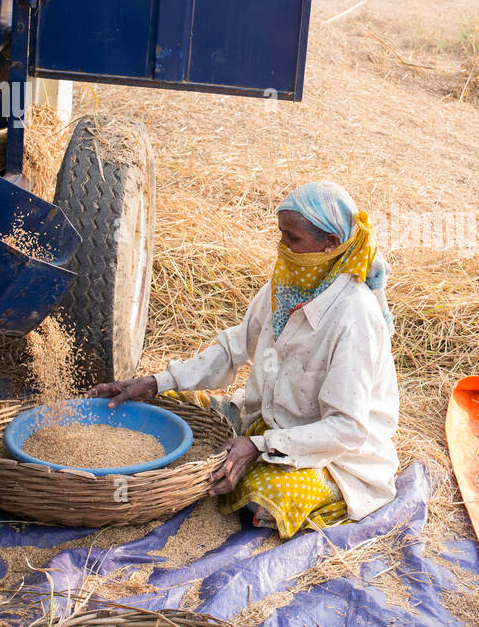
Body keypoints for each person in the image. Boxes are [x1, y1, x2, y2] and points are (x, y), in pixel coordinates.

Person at [90, 182, 400, 539]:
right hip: (267, 421)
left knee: (264, 498)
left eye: (292, 238)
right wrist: (156, 381)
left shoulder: (354, 314)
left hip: (334, 454)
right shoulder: (286, 284)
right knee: (165, 405)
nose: (282, 247)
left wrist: (258, 446)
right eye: (281, 235)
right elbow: (234, 347)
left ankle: (334, 496)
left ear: (331, 242)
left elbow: (347, 428)